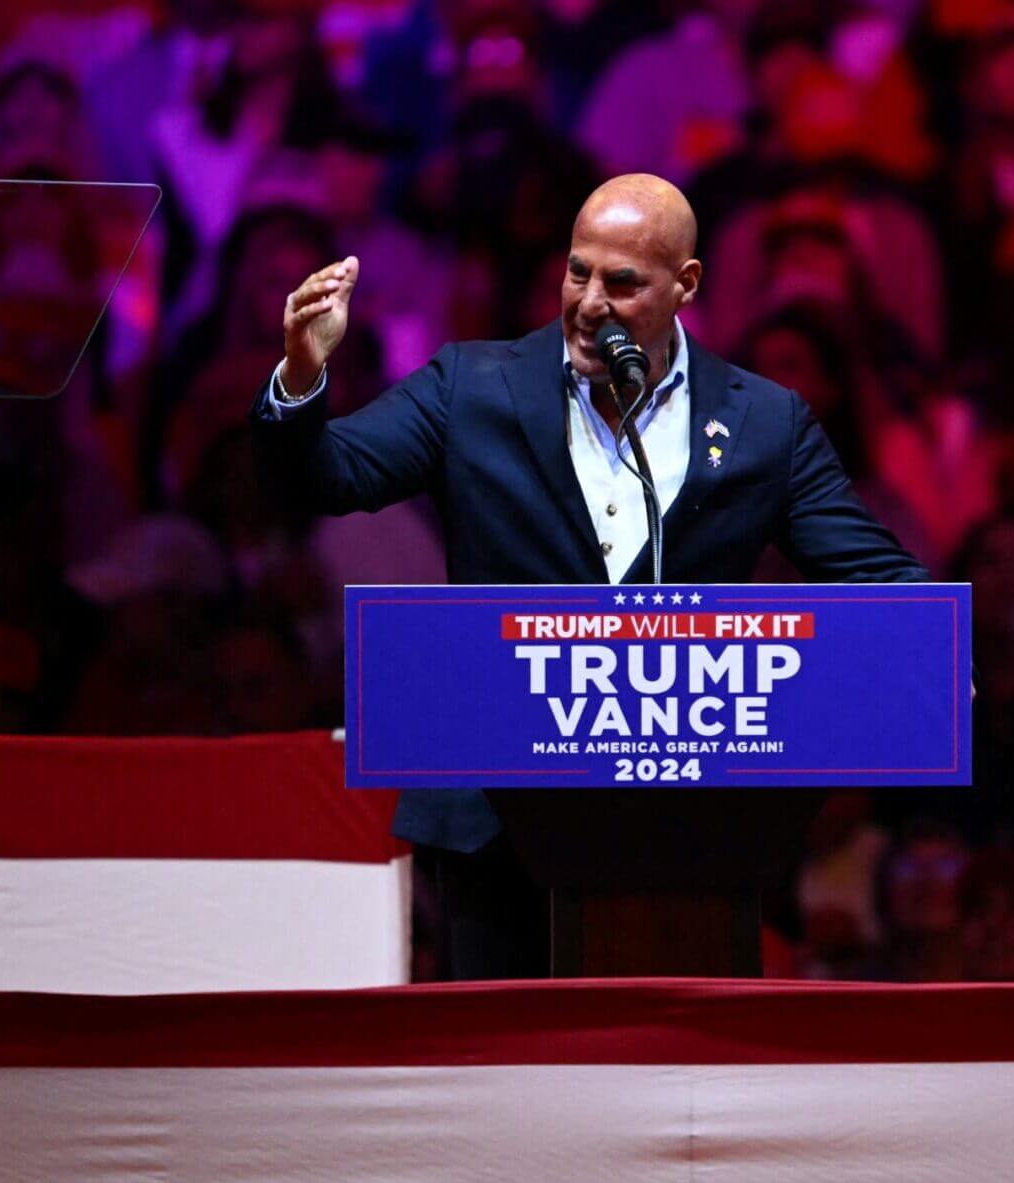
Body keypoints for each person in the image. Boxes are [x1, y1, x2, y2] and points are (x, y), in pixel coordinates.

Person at [252, 173, 930, 979]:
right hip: (495, 823)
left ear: (685, 285)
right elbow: (325, 479)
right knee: (506, 1081)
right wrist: (300, 377)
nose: (589, 302)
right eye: (578, 272)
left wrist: (931, 658)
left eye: (622, 282)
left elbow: (878, 577)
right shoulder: (471, 388)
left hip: (694, 828)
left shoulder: (762, 423)